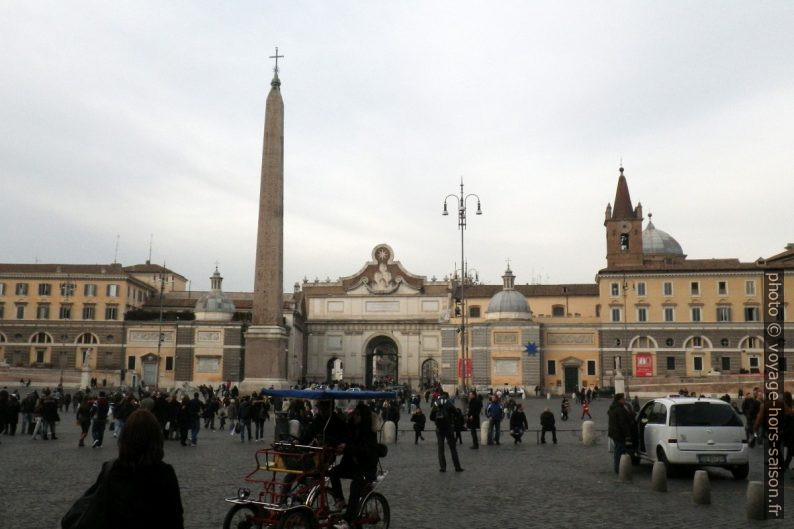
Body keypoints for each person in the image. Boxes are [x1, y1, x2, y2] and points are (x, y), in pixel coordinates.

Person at [65, 409, 184, 528]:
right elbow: (175, 518)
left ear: (124, 437)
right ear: (157, 439)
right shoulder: (164, 473)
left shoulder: (111, 469)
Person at [329, 402, 380, 529]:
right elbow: (345, 440)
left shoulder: (369, 433)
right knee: (333, 472)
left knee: (355, 486)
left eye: (357, 414)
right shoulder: (352, 428)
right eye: (354, 414)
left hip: (366, 468)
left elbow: (363, 451)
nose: (354, 417)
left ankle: (348, 520)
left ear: (363, 416)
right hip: (352, 466)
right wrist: (338, 446)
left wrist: (347, 448)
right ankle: (340, 500)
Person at [429, 392, 463, 473]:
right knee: (453, 448)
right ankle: (457, 467)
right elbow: (456, 413)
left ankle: (443, 467)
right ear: (447, 397)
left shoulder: (436, 403)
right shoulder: (449, 403)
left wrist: (437, 420)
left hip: (439, 428)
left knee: (441, 449)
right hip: (448, 427)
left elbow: (431, 417)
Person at [608, 393, 633, 474]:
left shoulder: (613, 408)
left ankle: (618, 467)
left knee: (617, 451)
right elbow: (623, 423)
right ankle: (619, 468)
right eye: (623, 399)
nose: (624, 400)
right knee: (620, 451)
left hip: (614, 433)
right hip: (619, 434)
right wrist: (628, 434)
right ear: (619, 400)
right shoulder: (620, 410)